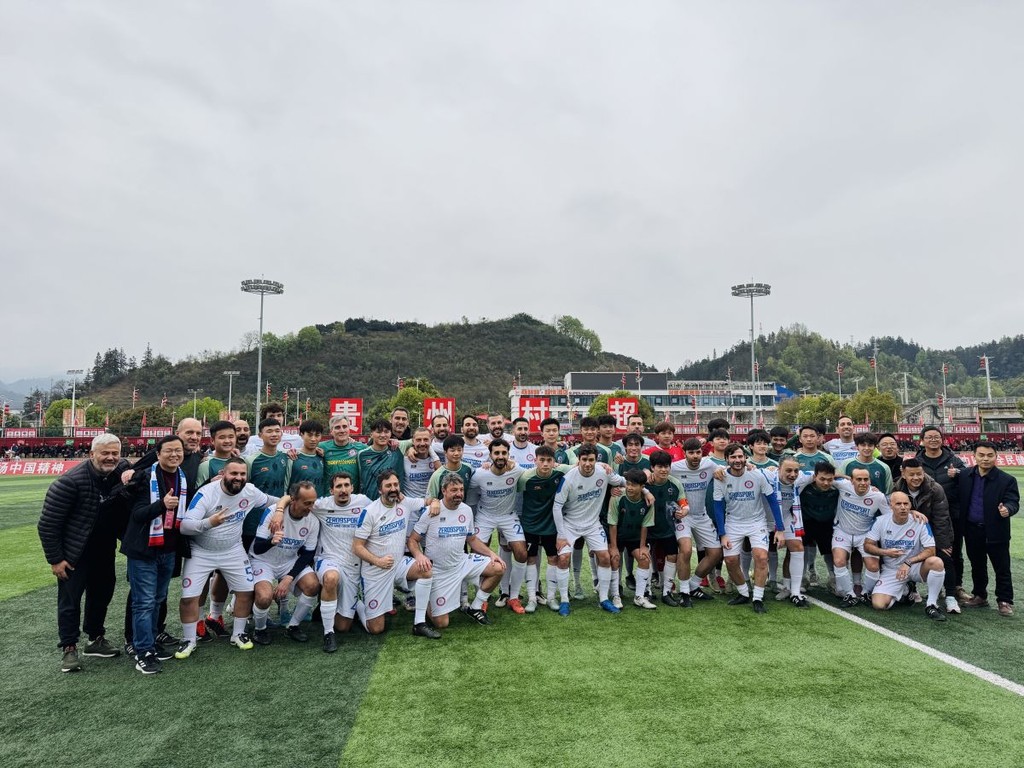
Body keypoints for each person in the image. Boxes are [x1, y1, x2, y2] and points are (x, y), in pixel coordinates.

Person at [38, 433, 130, 673]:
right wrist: (56, 559)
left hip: (104, 549)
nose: (110, 458)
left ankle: (95, 638)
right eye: (105, 453)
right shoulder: (70, 482)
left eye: (115, 453)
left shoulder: (120, 471)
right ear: (91, 454)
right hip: (74, 554)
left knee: (102, 595)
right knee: (70, 601)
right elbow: (48, 524)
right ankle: (69, 647)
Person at [175, 457, 280, 658]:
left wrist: (282, 508)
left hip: (233, 550)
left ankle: (238, 634)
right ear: (223, 474)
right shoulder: (207, 493)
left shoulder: (250, 491)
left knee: (246, 591)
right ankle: (188, 640)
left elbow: (272, 500)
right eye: (233, 473)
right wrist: (210, 522)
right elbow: (185, 526)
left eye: (242, 474)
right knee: (188, 598)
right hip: (201, 552)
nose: (238, 478)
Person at [121, 435, 189, 674]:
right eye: (169, 451)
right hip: (144, 550)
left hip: (168, 549)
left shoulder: (183, 477)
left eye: (178, 450)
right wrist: (162, 504)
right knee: (144, 602)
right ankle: (143, 651)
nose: (174, 455)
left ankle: (150, 643)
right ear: (158, 454)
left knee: (158, 599)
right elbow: (137, 514)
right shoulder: (144, 477)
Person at [408, 474, 506, 637]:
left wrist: (491, 553)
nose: (459, 494)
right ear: (444, 491)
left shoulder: (466, 510)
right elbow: (412, 540)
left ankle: (476, 607)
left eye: (461, 490)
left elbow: (472, 539)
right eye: (454, 490)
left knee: (498, 567)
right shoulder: (431, 511)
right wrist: (419, 555)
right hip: (439, 570)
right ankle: (425, 600)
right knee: (442, 623)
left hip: (462, 562)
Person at [351, 471, 432, 634]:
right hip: (375, 570)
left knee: (426, 570)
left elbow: (429, 501)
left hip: (398, 563)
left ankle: (419, 623)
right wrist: (378, 561)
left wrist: (434, 503)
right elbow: (357, 547)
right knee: (376, 629)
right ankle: (358, 604)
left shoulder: (405, 503)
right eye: (388, 486)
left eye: (396, 485)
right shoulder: (370, 512)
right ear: (380, 490)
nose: (393, 488)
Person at [551, 446, 626, 615]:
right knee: (563, 558)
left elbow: (623, 481)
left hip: (593, 525)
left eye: (591, 460)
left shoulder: (603, 472)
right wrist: (561, 535)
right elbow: (557, 506)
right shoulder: (569, 478)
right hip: (570, 524)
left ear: (595, 460)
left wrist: (644, 490)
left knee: (605, 557)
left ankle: (604, 599)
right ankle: (564, 600)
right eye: (584, 460)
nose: (587, 464)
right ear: (578, 460)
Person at [713, 444, 785, 613]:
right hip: (733, 523)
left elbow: (773, 501)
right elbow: (718, 507)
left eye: (740, 456)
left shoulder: (757, 475)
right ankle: (744, 593)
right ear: (726, 460)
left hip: (756, 523)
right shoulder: (720, 477)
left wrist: (780, 529)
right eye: (733, 457)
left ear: (745, 458)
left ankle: (758, 598)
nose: (737, 460)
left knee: (761, 557)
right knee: (730, 561)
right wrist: (722, 534)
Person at [250, 481, 321, 645]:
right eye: (307, 503)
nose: (311, 508)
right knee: (264, 597)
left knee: (312, 585)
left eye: (313, 503)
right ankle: (260, 630)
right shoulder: (273, 513)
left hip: (289, 560)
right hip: (263, 560)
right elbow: (257, 548)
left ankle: (293, 626)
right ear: (293, 500)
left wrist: (289, 578)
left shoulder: (313, 520)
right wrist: (271, 542)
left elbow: (308, 554)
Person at [953, 441, 1019, 616]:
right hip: (971, 529)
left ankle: (1004, 600)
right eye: (981, 455)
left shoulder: (1007, 480)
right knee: (977, 565)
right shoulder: (965, 475)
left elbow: (1013, 501)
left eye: (990, 455)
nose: (985, 459)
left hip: (996, 530)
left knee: (1002, 567)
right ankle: (980, 595)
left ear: (996, 456)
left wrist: (1008, 509)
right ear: (974, 456)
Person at [864, 491, 948, 621]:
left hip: (915, 567)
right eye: (898, 504)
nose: (903, 507)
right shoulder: (880, 521)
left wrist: (909, 562)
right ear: (891, 506)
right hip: (892, 569)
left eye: (906, 504)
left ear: (910, 506)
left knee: (936, 562)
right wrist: (886, 552)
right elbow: (867, 545)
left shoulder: (920, 521)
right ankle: (906, 590)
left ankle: (931, 605)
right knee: (878, 604)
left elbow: (931, 550)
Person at [466, 439, 528, 614]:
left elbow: (534, 472)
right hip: (485, 516)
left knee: (522, 553)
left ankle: (513, 597)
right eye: (497, 453)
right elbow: (469, 491)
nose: (500, 456)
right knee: (477, 554)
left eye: (504, 453)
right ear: (491, 455)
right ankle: (482, 598)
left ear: (508, 454)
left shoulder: (516, 470)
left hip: (508, 516)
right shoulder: (480, 474)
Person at [822, 467, 890, 607]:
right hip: (842, 532)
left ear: (870, 480)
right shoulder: (843, 485)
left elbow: (889, 517)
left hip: (865, 534)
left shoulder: (878, 496)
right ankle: (849, 594)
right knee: (839, 561)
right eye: (858, 479)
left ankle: (866, 593)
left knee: (873, 566)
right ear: (852, 480)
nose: (863, 482)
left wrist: (912, 513)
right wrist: (844, 477)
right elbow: (825, 476)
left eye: (866, 479)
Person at [893, 458, 954, 612]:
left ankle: (950, 596)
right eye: (911, 474)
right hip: (907, 533)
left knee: (945, 557)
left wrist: (943, 543)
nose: (916, 478)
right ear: (903, 474)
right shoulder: (897, 487)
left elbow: (941, 517)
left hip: (931, 531)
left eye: (919, 474)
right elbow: (891, 510)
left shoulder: (935, 488)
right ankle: (910, 589)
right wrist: (911, 511)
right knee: (902, 556)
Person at [915, 426, 968, 602]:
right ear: (922, 440)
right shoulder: (917, 461)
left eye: (936, 437)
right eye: (929, 437)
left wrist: (958, 473)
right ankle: (929, 588)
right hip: (924, 516)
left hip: (952, 514)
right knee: (923, 551)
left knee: (954, 552)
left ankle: (956, 587)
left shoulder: (954, 460)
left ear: (942, 439)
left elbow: (969, 476)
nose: (933, 440)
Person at [516, 445, 571, 612]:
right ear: (535, 461)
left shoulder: (561, 472)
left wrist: (602, 465)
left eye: (549, 460)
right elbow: (517, 498)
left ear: (554, 462)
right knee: (531, 559)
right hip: (530, 524)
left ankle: (551, 597)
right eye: (542, 460)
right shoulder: (526, 478)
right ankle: (532, 598)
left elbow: (579, 467)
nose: (545, 464)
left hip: (550, 524)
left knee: (553, 558)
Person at [668, 437, 723, 602]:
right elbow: (657, 473)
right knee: (685, 550)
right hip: (683, 516)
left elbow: (727, 469)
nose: (695, 456)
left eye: (698, 452)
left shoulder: (709, 464)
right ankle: (684, 592)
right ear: (684, 453)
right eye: (691, 453)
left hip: (701, 515)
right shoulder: (675, 468)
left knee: (716, 553)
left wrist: (748, 465)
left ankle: (693, 585)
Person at [608, 470, 657, 609]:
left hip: (634, 536)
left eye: (633, 485)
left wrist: (642, 546)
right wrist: (613, 546)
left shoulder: (648, 501)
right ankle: (615, 595)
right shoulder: (618, 497)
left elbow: (645, 525)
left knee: (644, 558)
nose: (629, 487)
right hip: (618, 535)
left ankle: (639, 597)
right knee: (614, 558)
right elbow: (613, 523)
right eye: (628, 484)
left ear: (642, 487)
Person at [320, 414, 368, 494]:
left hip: (352, 498)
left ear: (349, 429)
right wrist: (296, 452)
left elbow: (377, 450)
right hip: (330, 498)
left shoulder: (361, 448)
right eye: (337, 427)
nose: (342, 430)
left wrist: (390, 443)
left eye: (345, 427)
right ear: (331, 431)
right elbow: (305, 450)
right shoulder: (322, 447)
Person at [358, 419, 405, 501]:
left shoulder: (397, 449)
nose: (383, 435)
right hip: (368, 502)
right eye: (379, 432)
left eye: (386, 432)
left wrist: (411, 450)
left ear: (391, 433)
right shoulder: (362, 454)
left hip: (392, 501)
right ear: (371, 434)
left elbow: (415, 440)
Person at [289, 420, 326, 497]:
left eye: (317, 435)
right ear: (301, 435)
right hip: (299, 502)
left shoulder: (323, 457)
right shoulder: (292, 457)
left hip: (320, 502)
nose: (313, 439)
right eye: (310, 435)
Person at [196, 420, 239, 486]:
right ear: (212, 440)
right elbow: (200, 490)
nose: (227, 441)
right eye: (222, 437)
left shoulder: (242, 461)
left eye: (231, 437)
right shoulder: (206, 465)